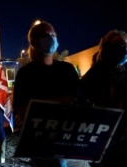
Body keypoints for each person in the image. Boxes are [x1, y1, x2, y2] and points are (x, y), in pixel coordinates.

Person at [12, 20, 89, 167]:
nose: (51, 37)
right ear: (34, 42)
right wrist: (62, 102)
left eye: (53, 34)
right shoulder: (26, 74)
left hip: (71, 142)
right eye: (45, 35)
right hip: (43, 148)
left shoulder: (67, 69)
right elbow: (22, 111)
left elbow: (79, 101)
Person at [80, 29, 127, 167]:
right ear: (106, 49)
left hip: (122, 142)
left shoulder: (123, 75)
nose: (122, 50)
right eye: (117, 46)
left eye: (124, 46)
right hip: (100, 144)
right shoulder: (93, 77)